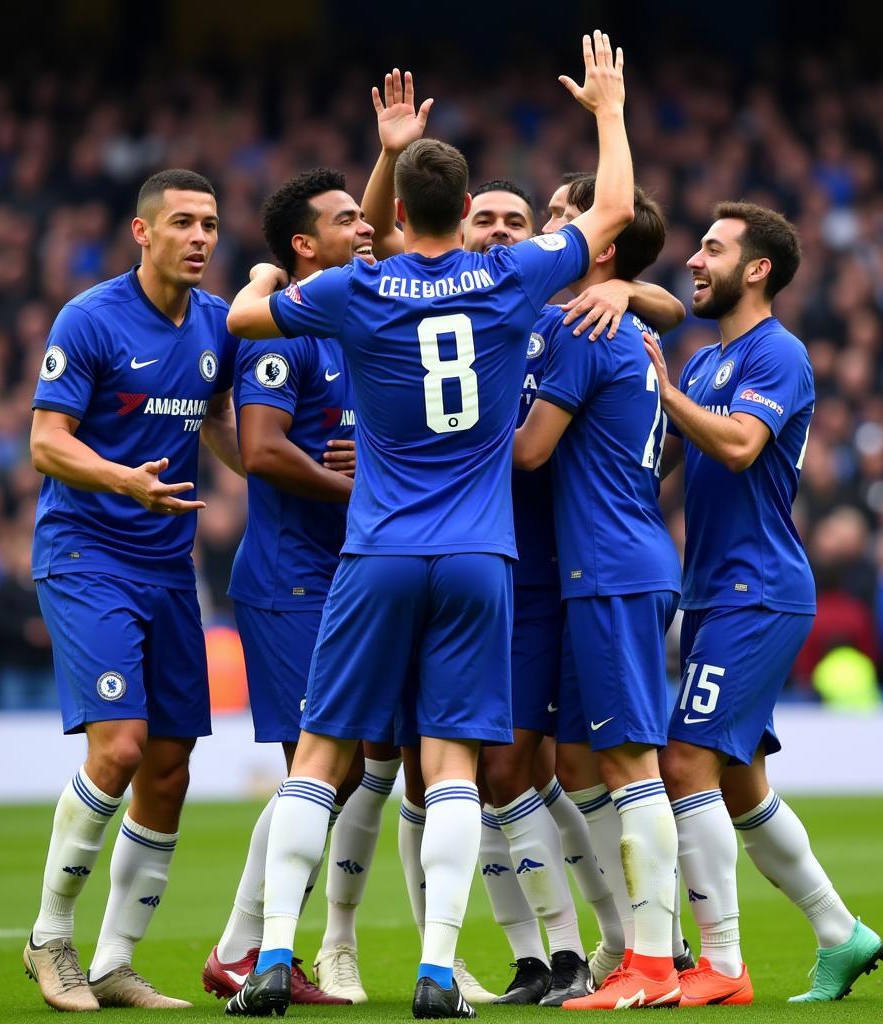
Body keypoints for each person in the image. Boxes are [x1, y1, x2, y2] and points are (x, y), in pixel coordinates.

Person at [223, 32, 637, 1019]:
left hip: (376, 551)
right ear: (468, 214)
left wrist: (257, 279)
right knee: (453, 765)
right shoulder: (513, 279)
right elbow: (617, 210)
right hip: (480, 557)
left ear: (399, 213)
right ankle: (440, 971)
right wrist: (609, 111)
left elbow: (249, 320)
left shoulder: (357, 290)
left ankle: (276, 955)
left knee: (323, 756)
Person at [641, 201, 883, 1004]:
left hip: (758, 589)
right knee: (739, 785)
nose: (695, 260)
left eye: (712, 248)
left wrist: (667, 394)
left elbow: (742, 446)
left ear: (757, 269)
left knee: (684, 761)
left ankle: (719, 965)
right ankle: (842, 935)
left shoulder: (777, 355)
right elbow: (653, 467)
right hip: (712, 592)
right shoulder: (711, 361)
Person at [24, 169, 242, 1011]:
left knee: (169, 768)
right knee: (117, 749)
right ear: (141, 233)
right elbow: (47, 443)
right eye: (183, 223)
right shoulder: (89, 318)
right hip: (87, 556)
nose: (200, 238)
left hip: (166, 567)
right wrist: (124, 480)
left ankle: (113, 961)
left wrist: (269, 469)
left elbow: (218, 418)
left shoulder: (217, 326)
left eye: (211, 225)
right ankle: (50, 939)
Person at [202, 168, 393, 1008]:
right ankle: (250, 950)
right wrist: (362, 490)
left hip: (349, 576)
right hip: (290, 578)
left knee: (337, 773)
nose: (366, 227)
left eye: (367, 214)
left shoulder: (359, 318)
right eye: (347, 219)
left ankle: (246, 945)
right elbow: (267, 450)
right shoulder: (282, 332)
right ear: (304, 246)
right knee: (316, 770)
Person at [513, 180, 684, 1009]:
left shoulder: (586, 326)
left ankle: (658, 961)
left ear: (603, 243)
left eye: (562, 219)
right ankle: (635, 942)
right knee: (581, 761)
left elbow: (530, 454)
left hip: (612, 567)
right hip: (613, 562)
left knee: (626, 763)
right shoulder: (628, 321)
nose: (554, 232)